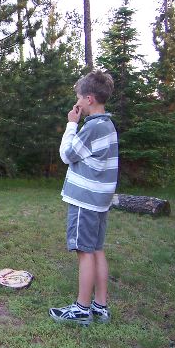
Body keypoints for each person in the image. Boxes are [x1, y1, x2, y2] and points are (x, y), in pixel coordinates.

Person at [49, 70, 118, 325]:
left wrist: (71, 124)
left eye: (79, 97)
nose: (76, 101)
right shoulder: (108, 125)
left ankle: (81, 308)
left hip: (85, 202)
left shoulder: (92, 127)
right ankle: (100, 305)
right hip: (99, 202)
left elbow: (67, 154)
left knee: (84, 252)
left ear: (89, 99)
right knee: (97, 249)